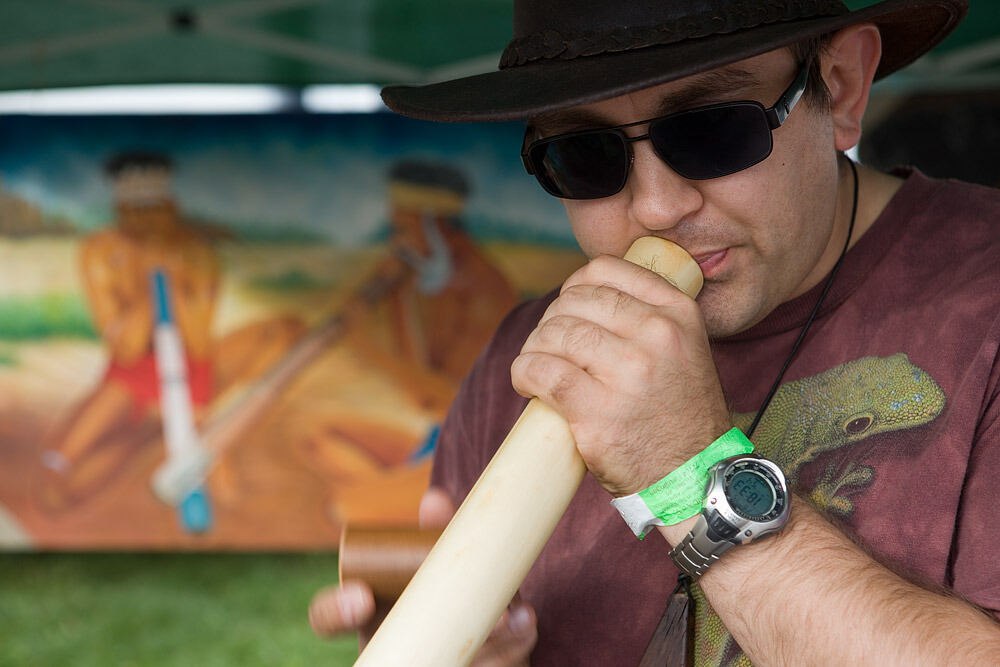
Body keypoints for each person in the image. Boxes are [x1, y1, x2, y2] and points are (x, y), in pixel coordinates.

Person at [310, 1, 1000, 664]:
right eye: (585, 154)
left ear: (842, 88)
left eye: (712, 129)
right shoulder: (529, 361)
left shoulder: (982, 305)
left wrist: (690, 468)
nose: (658, 207)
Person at [39, 151, 303, 514]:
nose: (146, 221)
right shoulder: (100, 250)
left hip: (188, 373)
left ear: (170, 206)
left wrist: (173, 278)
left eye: (153, 209)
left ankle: (165, 444)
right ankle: (144, 437)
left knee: (219, 482)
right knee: (64, 463)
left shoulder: (195, 252)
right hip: (132, 374)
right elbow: (126, 348)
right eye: (136, 210)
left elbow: (196, 343)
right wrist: (150, 281)